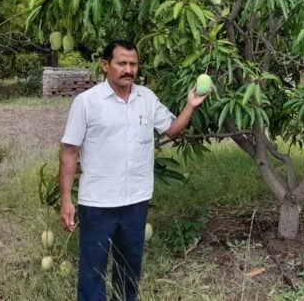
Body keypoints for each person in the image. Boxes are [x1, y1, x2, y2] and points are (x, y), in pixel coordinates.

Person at [58, 40, 206, 301]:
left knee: (129, 272)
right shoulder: (87, 102)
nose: (128, 69)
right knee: (92, 273)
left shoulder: (146, 99)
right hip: (98, 203)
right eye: (122, 63)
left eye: (133, 64)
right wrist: (66, 200)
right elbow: (69, 152)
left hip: (135, 201)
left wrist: (191, 105)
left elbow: (171, 130)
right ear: (105, 65)